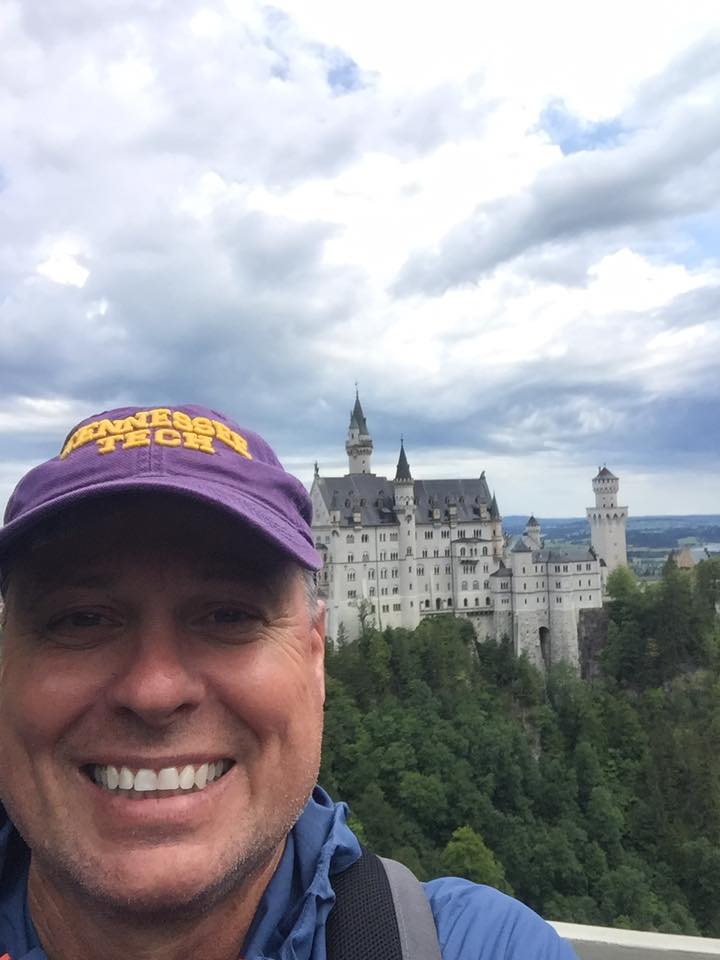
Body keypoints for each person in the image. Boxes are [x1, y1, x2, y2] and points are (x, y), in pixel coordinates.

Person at [0, 403, 578, 960]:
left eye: (229, 615)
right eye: (80, 619)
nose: (154, 690)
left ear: (315, 653)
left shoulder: (475, 946)